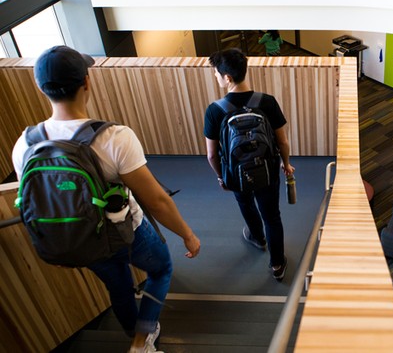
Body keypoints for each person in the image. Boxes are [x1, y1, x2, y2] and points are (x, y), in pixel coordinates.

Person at [12, 46, 201, 353]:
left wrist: (57, 243)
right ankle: (142, 339)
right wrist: (188, 236)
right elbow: (156, 201)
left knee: (119, 286)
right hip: (129, 233)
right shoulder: (114, 138)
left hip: (83, 238)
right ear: (87, 82)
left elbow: (36, 201)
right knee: (161, 270)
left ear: (40, 87)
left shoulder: (25, 143)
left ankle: (134, 335)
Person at [204, 48, 295, 280]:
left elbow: (212, 155)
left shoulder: (215, 111)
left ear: (228, 78)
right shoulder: (267, 102)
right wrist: (286, 164)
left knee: (245, 202)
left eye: (217, 74)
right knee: (272, 216)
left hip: (235, 172)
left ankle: (257, 237)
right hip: (267, 168)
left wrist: (221, 176)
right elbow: (282, 141)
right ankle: (277, 265)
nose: (216, 77)